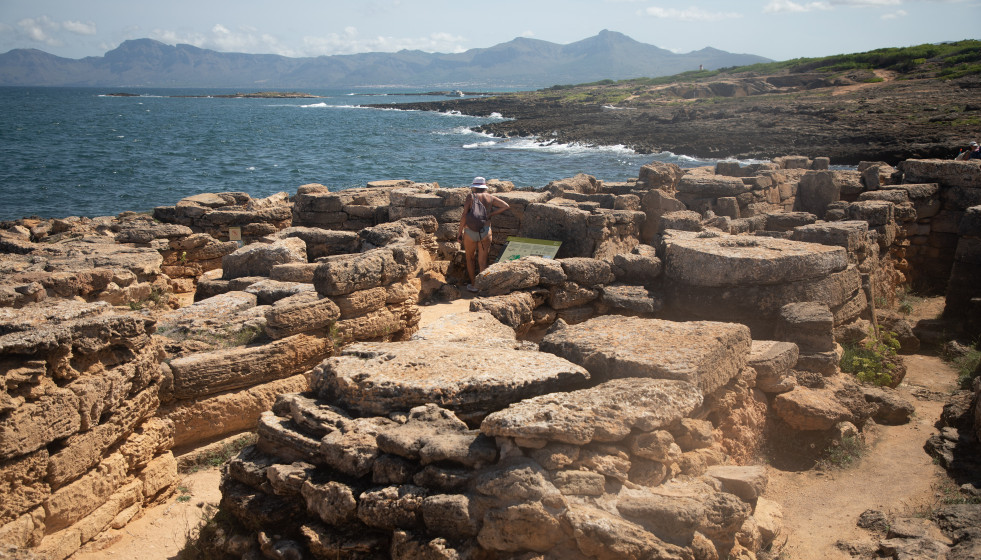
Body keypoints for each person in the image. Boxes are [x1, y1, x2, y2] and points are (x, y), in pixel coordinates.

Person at [457, 176, 510, 292]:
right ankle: (483, 287)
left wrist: (460, 232)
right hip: (485, 231)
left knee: (470, 259)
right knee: (483, 261)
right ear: (484, 187)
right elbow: (506, 206)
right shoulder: (490, 198)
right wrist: (490, 214)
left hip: (470, 231)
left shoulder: (471, 197)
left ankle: (474, 285)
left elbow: (464, 215)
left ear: (474, 187)